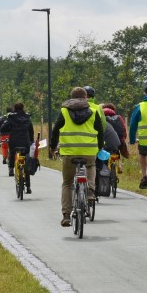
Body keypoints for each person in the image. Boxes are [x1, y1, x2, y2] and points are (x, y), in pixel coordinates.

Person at [49, 86, 105, 227]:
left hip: (69, 152)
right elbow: (100, 131)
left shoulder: (65, 112)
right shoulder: (93, 111)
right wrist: (99, 147)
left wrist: (52, 147)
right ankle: (91, 191)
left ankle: (66, 215)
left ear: (71, 97)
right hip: (89, 151)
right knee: (91, 165)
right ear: (86, 97)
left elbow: (55, 131)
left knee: (67, 183)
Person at [0, 102, 34, 188]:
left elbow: (3, 128)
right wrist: (31, 139)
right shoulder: (27, 117)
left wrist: (8, 128)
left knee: (12, 154)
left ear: (15, 108)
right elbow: (31, 130)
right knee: (25, 156)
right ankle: (27, 181)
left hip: (14, 141)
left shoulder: (11, 117)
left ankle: (11, 169)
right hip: (25, 141)